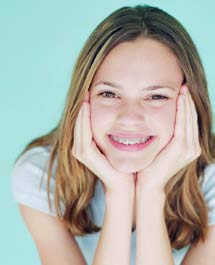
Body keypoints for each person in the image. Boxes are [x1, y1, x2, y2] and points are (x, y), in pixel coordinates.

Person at [11, 4, 215, 265]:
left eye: (156, 96)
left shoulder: (210, 180)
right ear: (82, 98)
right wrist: (118, 193)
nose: (129, 118)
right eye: (109, 94)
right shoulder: (41, 173)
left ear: (190, 103)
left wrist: (151, 192)